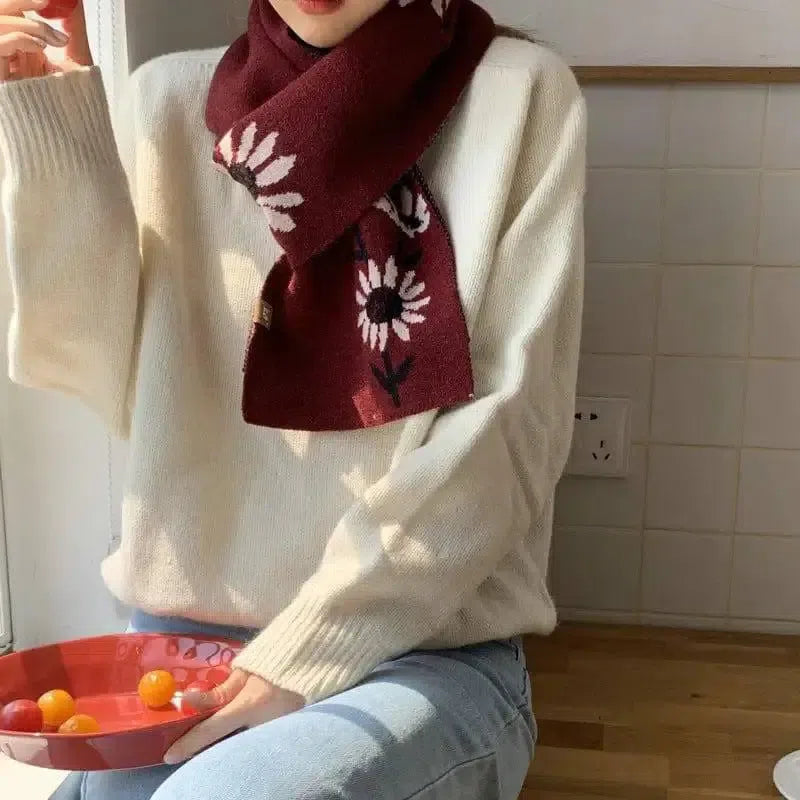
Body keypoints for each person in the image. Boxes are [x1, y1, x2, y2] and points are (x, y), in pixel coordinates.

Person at [0, 0, 586, 797]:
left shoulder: (518, 97)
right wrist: (49, 118)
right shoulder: (167, 101)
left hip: (420, 654)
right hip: (180, 656)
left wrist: (307, 651)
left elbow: (508, 438)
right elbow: (96, 370)